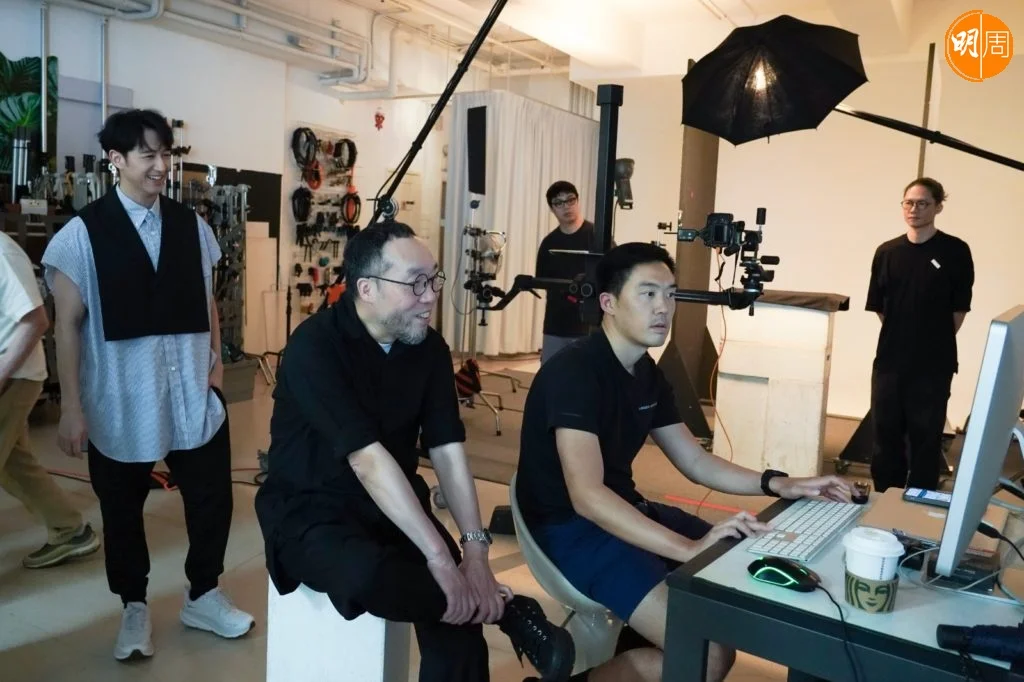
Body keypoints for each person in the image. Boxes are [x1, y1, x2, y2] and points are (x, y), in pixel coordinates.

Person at [515, 242, 853, 682]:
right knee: (706, 659)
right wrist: (687, 549)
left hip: (626, 511)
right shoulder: (575, 373)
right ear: (609, 303)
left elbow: (694, 460)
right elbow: (588, 497)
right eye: (648, 293)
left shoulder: (647, 374)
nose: (664, 307)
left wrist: (778, 483)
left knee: (741, 557)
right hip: (572, 530)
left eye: (670, 294)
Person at [254, 221, 576, 682]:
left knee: (458, 627)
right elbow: (366, 459)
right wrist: (443, 560)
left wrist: (475, 551)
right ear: (367, 288)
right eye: (416, 283)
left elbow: (447, 449)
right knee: (375, 577)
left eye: (434, 279)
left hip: (396, 504)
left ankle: (483, 605)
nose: (430, 296)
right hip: (312, 508)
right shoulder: (315, 347)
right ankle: (506, 609)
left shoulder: (428, 348)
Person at [42, 109, 253, 661]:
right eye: (148, 155)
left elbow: (207, 300)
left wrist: (214, 367)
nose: (161, 166)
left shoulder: (192, 226)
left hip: (191, 396)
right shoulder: (81, 236)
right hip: (119, 399)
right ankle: (133, 606)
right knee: (121, 510)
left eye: (166, 154)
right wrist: (71, 406)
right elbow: (67, 326)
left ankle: (203, 593)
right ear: (116, 159)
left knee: (212, 500)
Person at [865, 177, 974, 493]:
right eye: (908, 203)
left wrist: (930, 341)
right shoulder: (887, 252)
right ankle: (885, 499)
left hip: (933, 365)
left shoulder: (955, 251)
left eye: (923, 203)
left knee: (926, 439)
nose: (914, 209)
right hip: (889, 362)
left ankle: (920, 502)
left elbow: (959, 310)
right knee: (886, 436)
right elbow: (880, 307)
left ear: (938, 207)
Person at [0, 231, 100, 569]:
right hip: (10, 375)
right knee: (13, 466)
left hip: (14, 376)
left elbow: (36, 321)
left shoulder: (2, 253)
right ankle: (70, 530)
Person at [536, 181, 600, 364]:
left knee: (588, 376)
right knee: (551, 375)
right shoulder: (549, 243)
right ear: (552, 209)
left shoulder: (597, 236)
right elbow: (542, 280)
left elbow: (614, 274)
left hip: (590, 325)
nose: (566, 207)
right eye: (559, 203)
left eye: (570, 200)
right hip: (556, 325)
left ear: (578, 201)